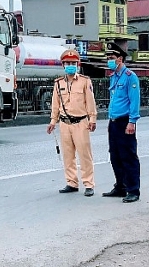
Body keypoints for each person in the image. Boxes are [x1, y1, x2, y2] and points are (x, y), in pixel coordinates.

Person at [47, 49, 98, 197]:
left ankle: (89, 184)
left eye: (73, 63)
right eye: (68, 63)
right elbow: (55, 104)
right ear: (63, 65)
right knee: (68, 156)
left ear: (78, 64)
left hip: (81, 122)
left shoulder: (84, 81)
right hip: (64, 123)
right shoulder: (58, 83)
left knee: (84, 154)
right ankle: (71, 182)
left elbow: (90, 102)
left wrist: (92, 119)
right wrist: (52, 121)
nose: (71, 65)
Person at [101, 42, 141, 203]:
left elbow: (134, 101)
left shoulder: (130, 77)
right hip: (114, 122)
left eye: (112, 58)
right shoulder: (114, 77)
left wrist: (132, 122)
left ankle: (133, 190)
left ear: (120, 58)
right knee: (115, 155)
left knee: (128, 156)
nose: (109, 61)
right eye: (108, 58)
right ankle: (120, 186)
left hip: (126, 122)